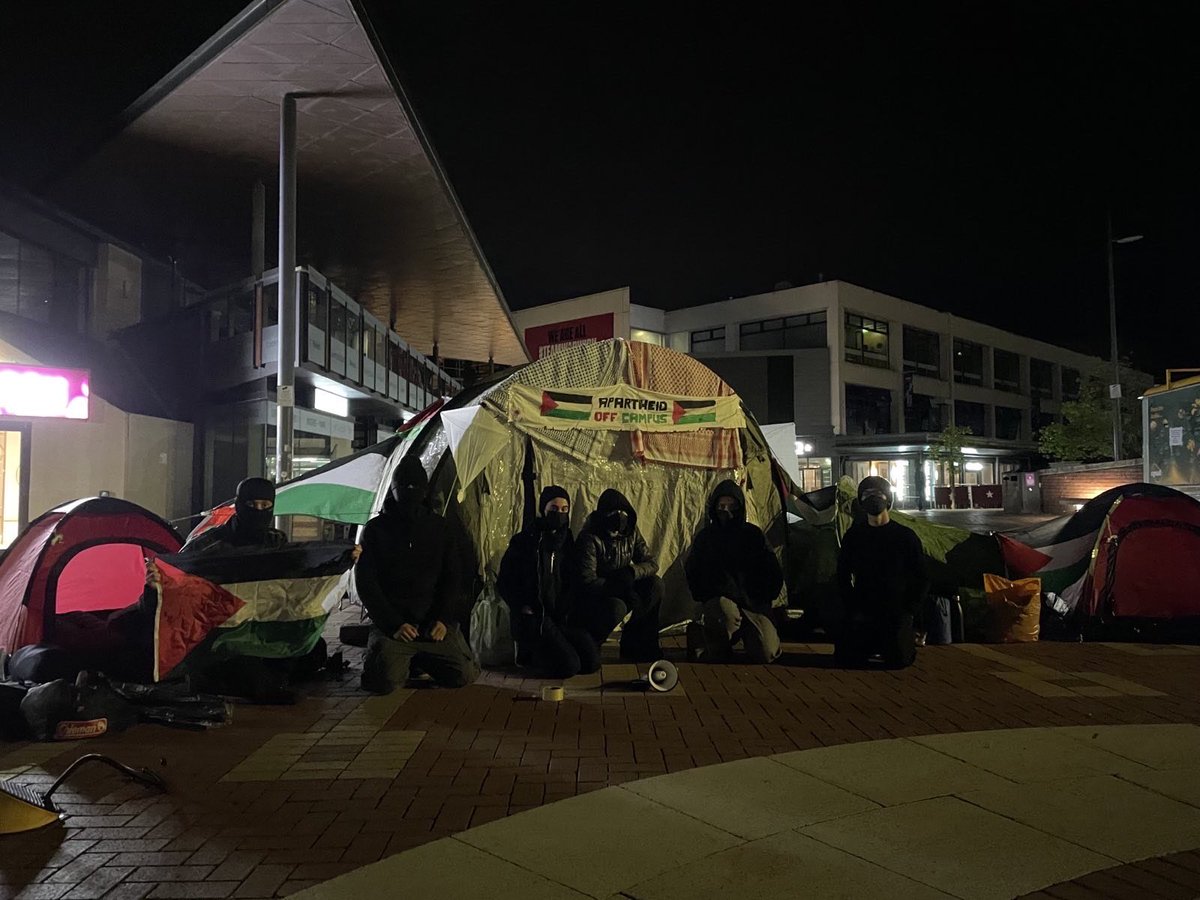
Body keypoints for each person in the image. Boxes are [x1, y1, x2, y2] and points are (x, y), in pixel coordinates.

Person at [355, 457, 480, 693]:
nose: (410, 493)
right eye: (404, 487)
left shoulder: (440, 528)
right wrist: (392, 624)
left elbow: (452, 577)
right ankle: (388, 658)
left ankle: (419, 659)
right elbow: (366, 583)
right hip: (395, 627)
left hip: (431, 624)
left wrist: (442, 619)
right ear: (393, 491)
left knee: (463, 675)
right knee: (383, 682)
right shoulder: (376, 530)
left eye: (415, 488)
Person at [497, 486, 600, 678]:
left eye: (564, 509)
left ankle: (552, 648)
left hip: (559, 617)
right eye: (553, 509)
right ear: (543, 509)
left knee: (591, 662)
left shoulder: (566, 541)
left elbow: (572, 579)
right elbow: (505, 581)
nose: (559, 514)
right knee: (570, 666)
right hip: (536, 617)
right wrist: (522, 606)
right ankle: (531, 654)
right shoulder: (525, 541)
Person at [684, 480, 784, 664]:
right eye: (721, 506)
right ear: (714, 507)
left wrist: (765, 597)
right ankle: (706, 636)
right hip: (723, 604)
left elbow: (772, 569)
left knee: (766, 653)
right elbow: (693, 569)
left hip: (752, 602)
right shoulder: (707, 538)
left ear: (740, 506)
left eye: (732, 505)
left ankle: (751, 633)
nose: (727, 511)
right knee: (723, 619)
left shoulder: (753, 535)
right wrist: (708, 595)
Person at [834, 475, 928, 669]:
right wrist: (851, 606)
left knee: (899, 660)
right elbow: (842, 574)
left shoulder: (905, 537)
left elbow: (921, 576)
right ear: (860, 501)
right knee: (847, 659)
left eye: (878, 494)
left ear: (888, 499)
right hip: (864, 608)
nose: (873, 499)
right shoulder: (854, 536)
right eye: (867, 494)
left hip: (896, 610)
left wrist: (908, 611)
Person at [572, 488, 664, 662]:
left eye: (623, 512)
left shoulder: (630, 532)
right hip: (600, 592)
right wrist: (616, 585)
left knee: (655, 585)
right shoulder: (590, 537)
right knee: (616, 607)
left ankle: (639, 641)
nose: (620, 517)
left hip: (624, 583)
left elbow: (651, 563)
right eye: (614, 512)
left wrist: (631, 572)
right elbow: (587, 580)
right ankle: (591, 643)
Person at [181, 477, 287, 554]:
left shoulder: (277, 540)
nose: (258, 510)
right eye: (251, 504)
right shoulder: (206, 544)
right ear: (238, 505)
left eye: (265, 505)